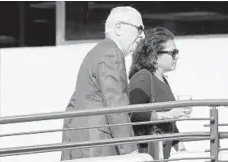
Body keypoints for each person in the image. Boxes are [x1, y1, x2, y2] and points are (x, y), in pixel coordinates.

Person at [61, 6, 145, 160]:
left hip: (84, 144)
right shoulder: (111, 53)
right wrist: (130, 151)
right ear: (119, 28)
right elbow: (115, 105)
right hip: (99, 145)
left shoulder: (98, 52)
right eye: (139, 29)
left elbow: (74, 104)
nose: (143, 36)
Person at [127, 27, 192, 159]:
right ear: (155, 56)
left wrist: (184, 152)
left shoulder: (162, 80)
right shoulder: (143, 77)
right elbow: (133, 113)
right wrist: (166, 115)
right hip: (145, 155)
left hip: (160, 155)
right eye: (173, 52)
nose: (177, 56)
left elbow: (171, 127)